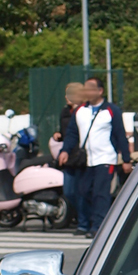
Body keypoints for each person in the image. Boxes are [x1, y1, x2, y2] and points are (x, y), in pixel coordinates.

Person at [59, 77, 133, 238]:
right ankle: (84, 224)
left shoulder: (111, 110)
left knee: (101, 194)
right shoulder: (80, 111)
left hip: (105, 158)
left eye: (91, 88)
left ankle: (98, 226)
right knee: (83, 192)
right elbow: (72, 133)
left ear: (100, 91)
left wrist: (126, 159)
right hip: (86, 159)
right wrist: (65, 150)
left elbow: (120, 135)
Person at [52, 82, 86, 220]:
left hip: (81, 156)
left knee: (82, 191)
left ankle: (83, 219)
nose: (67, 97)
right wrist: (58, 134)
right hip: (68, 156)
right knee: (69, 191)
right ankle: (77, 215)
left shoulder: (84, 112)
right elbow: (66, 132)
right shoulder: (65, 112)